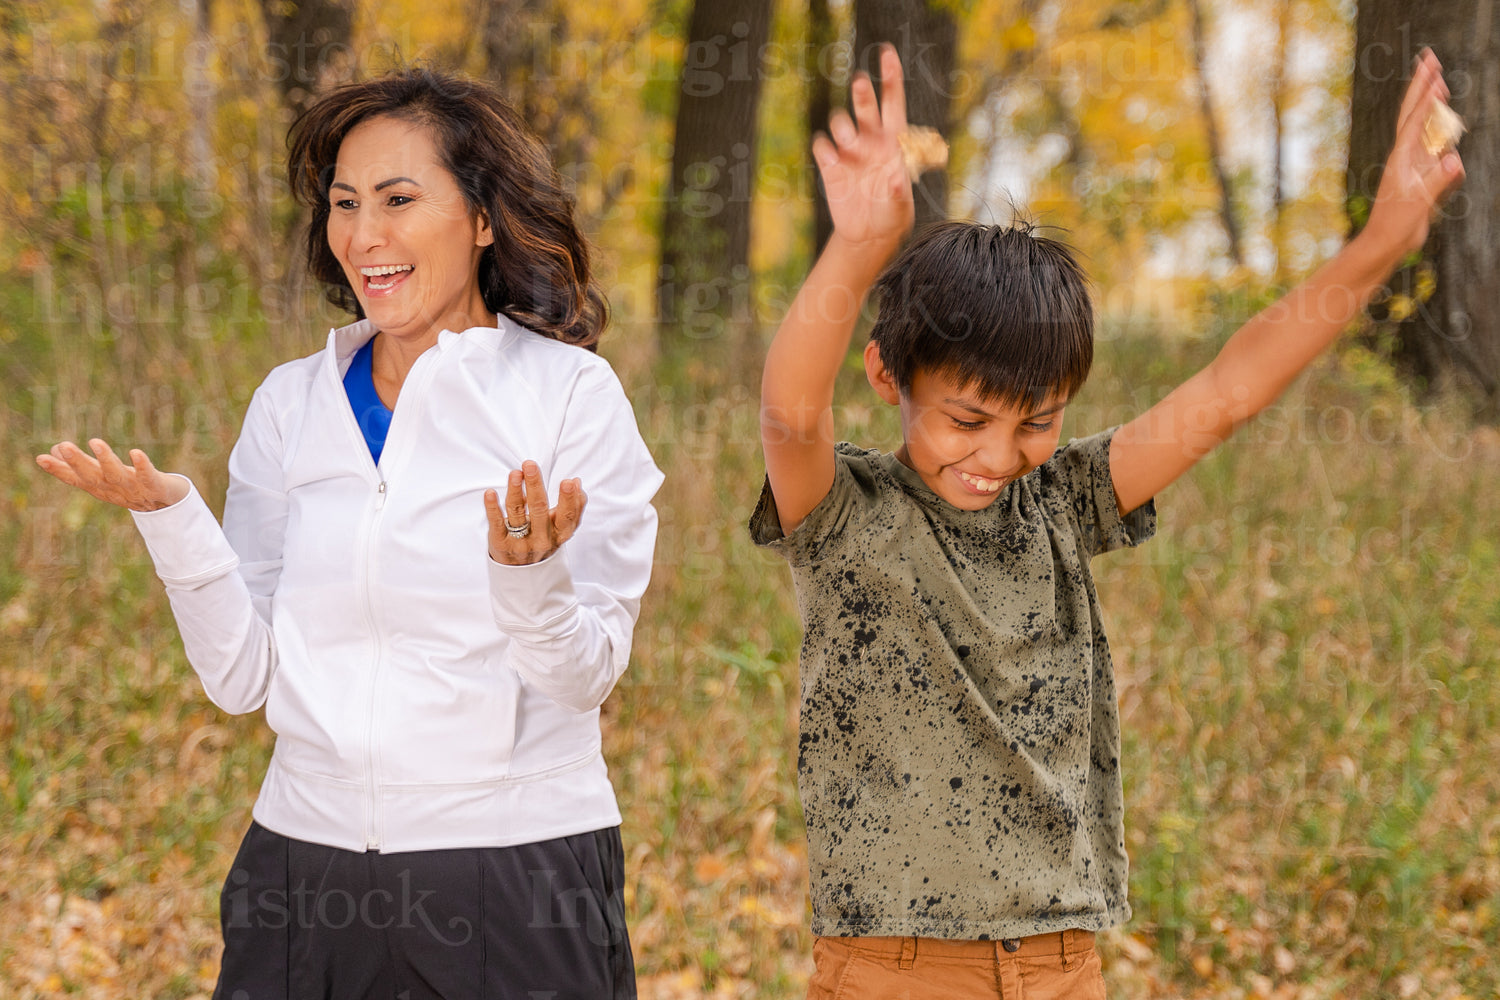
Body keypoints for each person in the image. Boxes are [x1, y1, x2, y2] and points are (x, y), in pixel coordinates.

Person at [752, 45, 1463, 999]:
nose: (999, 456)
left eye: (1035, 423)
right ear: (889, 378)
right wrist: (857, 245)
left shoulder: (1064, 502)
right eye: (968, 420)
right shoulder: (847, 517)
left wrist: (1378, 244)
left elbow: (1228, 390)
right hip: (898, 962)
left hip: (1061, 954)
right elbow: (792, 415)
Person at [36, 68, 660, 1000]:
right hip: (302, 869)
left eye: (400, 200)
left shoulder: (569, 396)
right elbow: (241, 679)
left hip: (513, 871)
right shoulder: (292, 402)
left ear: (483, 218)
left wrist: (530, 578)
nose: (364, 236)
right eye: (344, 203)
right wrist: (174, 523)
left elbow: (584, 675)